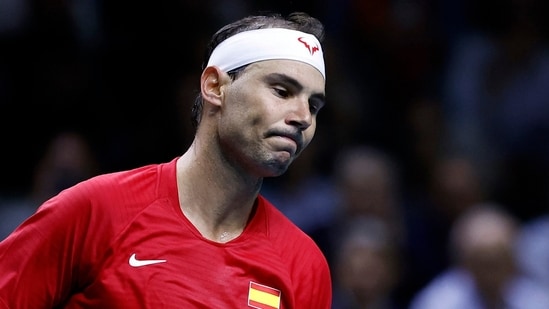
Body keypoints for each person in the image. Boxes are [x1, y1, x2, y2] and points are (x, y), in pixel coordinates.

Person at [0, 11, 332, 308]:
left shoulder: (303, 265)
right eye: (282, 91)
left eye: (314, 106)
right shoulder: (97, 210)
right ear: (215, 86)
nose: (303, 116)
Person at [409, 202, 549, 309]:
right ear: (463, 263)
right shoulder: (436, 304)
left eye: (500, 261)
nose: (492, 273)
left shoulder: (536, 300)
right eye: (484, 263)